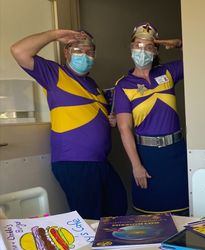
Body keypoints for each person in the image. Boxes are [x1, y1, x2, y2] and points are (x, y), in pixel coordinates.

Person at [10, 29, 128, 220]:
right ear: (66, 53)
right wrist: (56, 35)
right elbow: (18, 50)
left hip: (99, 162)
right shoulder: (54, 74)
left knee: (117, 206)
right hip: (75, 162)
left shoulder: (92, 83)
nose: (85, 56)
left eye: (90, 52)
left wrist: (109, 120)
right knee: (91, 220)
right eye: (79, 50)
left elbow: (92, 114)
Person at [114, 22, 188, 215]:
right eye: (138, 45)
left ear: (156, 50)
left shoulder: (168, 72)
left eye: (148, 46)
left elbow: (201, 52)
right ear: (131, 48)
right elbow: (124, 129)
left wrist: (179, 43)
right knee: (150, 218)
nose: (142, 51)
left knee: (183, 212)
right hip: (146, 156)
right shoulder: (123, 85)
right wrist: (136, 166)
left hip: (176, 153)